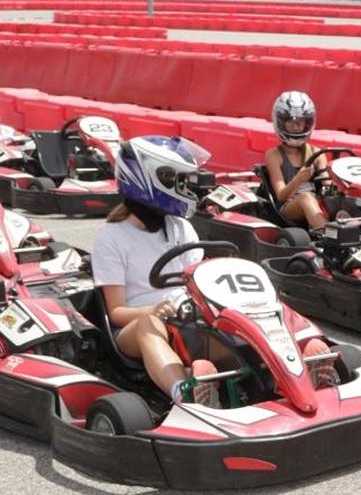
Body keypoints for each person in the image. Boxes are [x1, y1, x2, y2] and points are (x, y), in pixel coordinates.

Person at [94, 136, 337, 409]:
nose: (185, 188)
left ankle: (302, 360)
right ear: (150, 179)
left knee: (253, 307)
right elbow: (115, 312)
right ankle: (183, 391)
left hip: (185, 313)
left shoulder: (180, 227)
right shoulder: (112, 238)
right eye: (179, 181)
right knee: (149, 327)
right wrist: (153, 310)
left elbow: (198, 272)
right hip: (137, 326)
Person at [264, 91, 329, 230]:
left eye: (300, 122)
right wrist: (299, 179)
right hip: (288, 207)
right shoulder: (274, 155)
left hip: (316, 203)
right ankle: (328, 237)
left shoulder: (317, 153)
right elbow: (281, 196)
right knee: (306, 198)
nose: (296, 127)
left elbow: (327, 186)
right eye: (291, 123)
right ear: (281, 122)